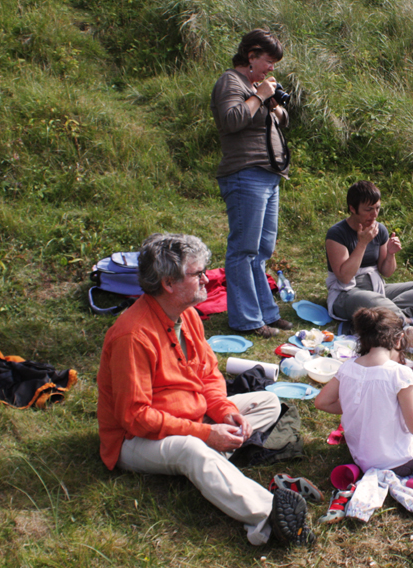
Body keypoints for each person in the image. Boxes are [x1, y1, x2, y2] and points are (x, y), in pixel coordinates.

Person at [96, 233, 314, 546]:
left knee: (267, 401)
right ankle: (268, 517)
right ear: (168, 283)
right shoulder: (132, 336)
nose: (207, 280)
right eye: (198, 274)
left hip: (191, 418)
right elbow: (135, 418)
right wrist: (204, 434)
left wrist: (224, 412)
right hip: (135, 440)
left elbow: (210, 376)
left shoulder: (188, 315)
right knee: (190, 450)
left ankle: (213, 465)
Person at [315, 307, 413, 474]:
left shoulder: (348, 367)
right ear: (399, 339)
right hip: (395, 461)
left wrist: (361, 406)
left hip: (360, 456)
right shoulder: (400, 373)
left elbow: (322, 402)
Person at [211, 29, 293, 338]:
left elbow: (282, 118)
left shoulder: (256, 86)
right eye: (268, 61)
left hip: (267, 175)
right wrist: (259, 96)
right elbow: (231, 119)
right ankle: (246, 319)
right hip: (245, 174)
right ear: (251, 55)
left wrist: (271, 103)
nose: (272, 68)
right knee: (243, 249)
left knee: (262, 249)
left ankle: (266, 314)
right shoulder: (230, 82)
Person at [324, 181, 413, 323]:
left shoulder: (379, 229)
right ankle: (408, 321)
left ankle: (387, 315)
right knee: (371, 300)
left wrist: (391, 254)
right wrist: (362, 244)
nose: (374, 215)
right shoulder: (337, 233)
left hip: (376, 289)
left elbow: (386, 272)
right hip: (347, 293)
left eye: (377, 208)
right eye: (368, 209)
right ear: (353, 209)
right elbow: (345, 278)